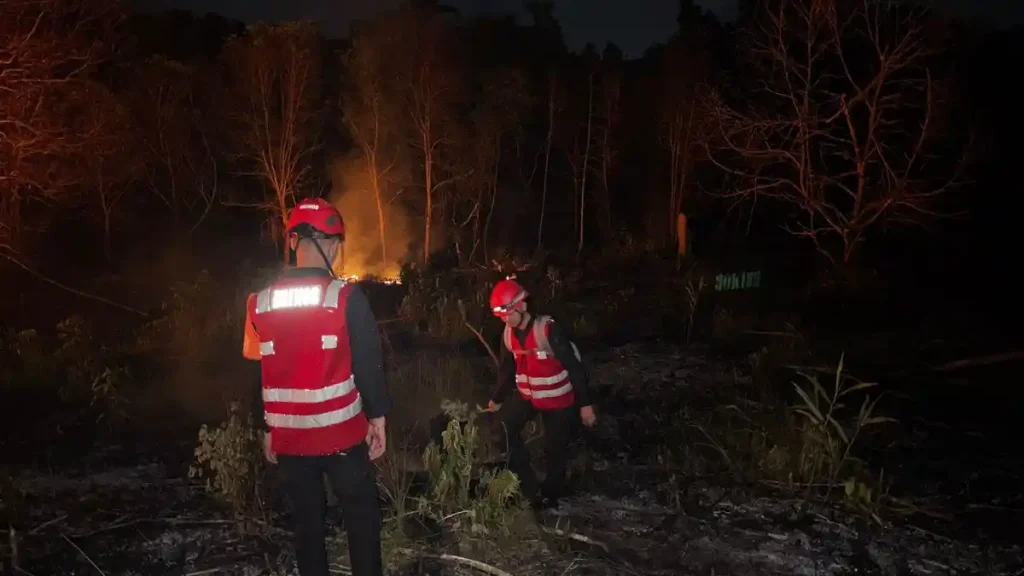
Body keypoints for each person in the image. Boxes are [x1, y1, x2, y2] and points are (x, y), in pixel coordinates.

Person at [247, 197, 390, 576]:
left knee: (307, 529)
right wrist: (378, 417)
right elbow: (369, 365)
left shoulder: (260, 303)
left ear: (293, 241)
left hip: (290, 439)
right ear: (334, 245)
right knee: (362, 520)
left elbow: (257, 372)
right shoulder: (346, 297)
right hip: (342, 437)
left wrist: (266, 429)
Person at [483, 278, 597, 510]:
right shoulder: (509, 334)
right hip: (530, 397)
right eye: (501, 316)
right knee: (504, 432)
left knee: (555, 450)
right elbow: (508, 369)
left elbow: (574, 367)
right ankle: (527, 484)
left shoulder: (547, 330)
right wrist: (497, 398)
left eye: (508, 314)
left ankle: (551, 496)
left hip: (559, 401)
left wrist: (585, 406)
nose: (505, 320)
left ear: (521, 306)